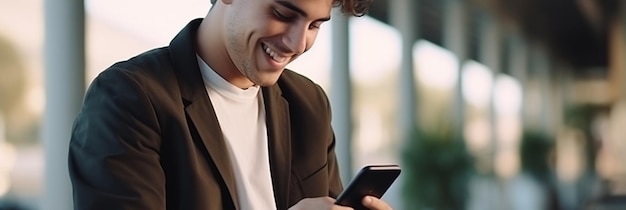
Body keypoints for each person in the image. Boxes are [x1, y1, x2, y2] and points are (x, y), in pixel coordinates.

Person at [68, 0, 394, 209]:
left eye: (315, 25)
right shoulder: (129, 97)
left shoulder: (309, 103)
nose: (298, 44)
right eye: (282, 13)